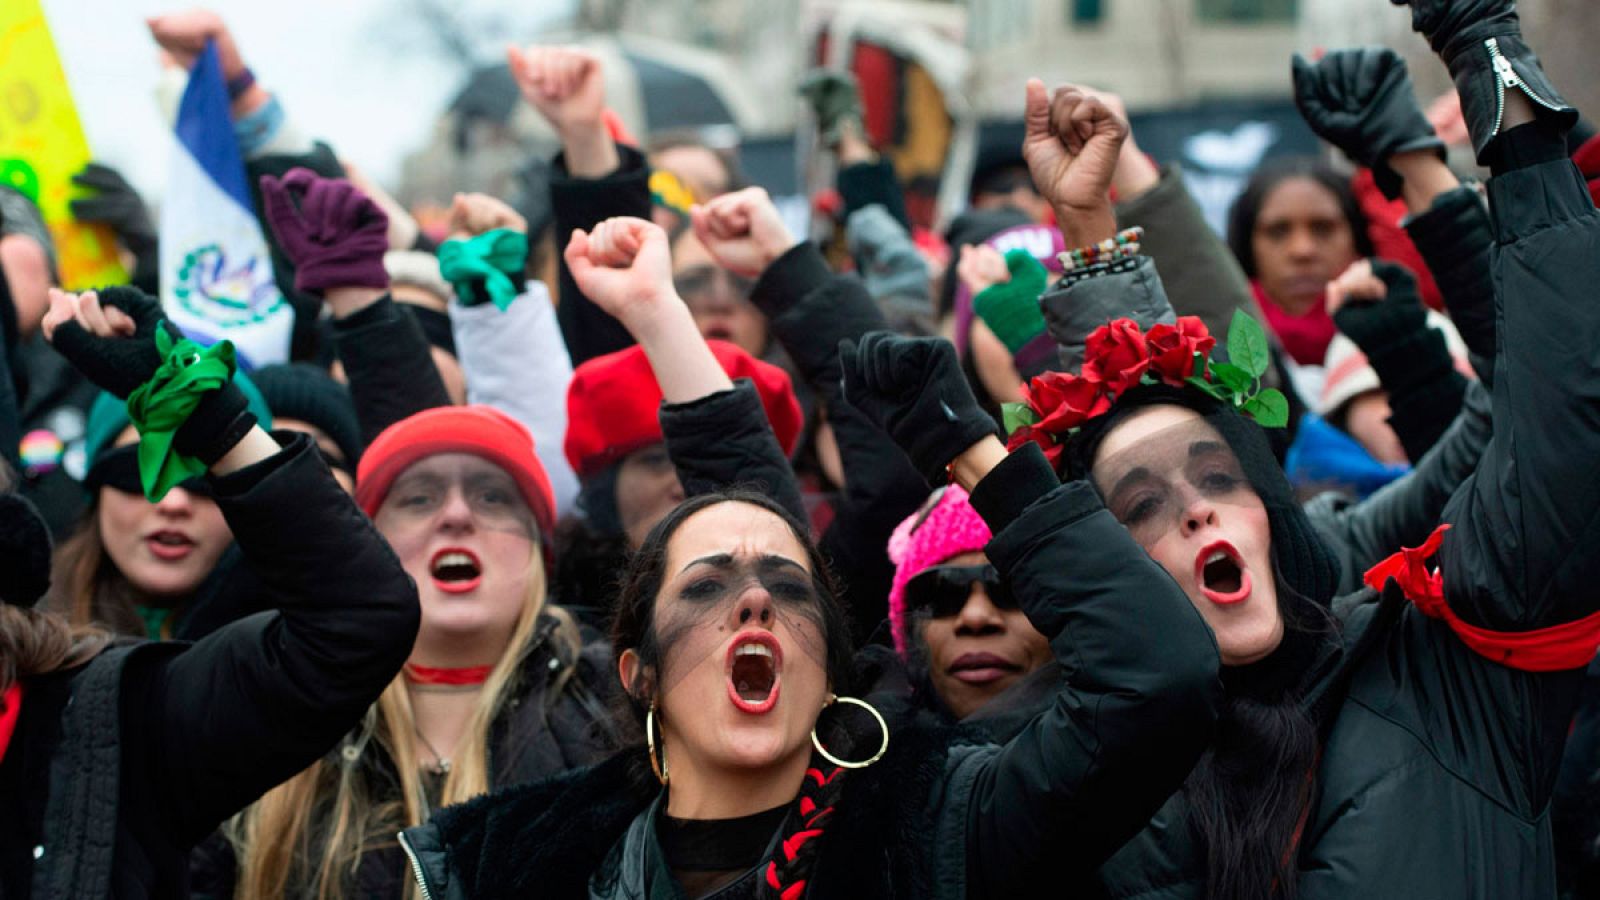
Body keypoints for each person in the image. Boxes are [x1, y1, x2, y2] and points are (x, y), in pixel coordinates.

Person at [1015, 12, 1600, 891]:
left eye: (1221, 479)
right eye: (1142, 511)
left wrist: (1487, 50)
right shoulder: (1073, 789)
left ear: (1272, 508)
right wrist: (1085, 222)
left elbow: (1553, 412)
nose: (1198, 506)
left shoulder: (1443, 667)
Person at [1, 284, 418, 897]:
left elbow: (356, 619)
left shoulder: (108, 719)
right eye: (137, 475)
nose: (170, 503)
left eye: (196, 481)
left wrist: (210, 420)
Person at [199, 404, 616, 900]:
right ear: (367, 545)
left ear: (538, 550)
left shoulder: (611, 706)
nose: (457, 516)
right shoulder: (279, 715)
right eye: (418, 499)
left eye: (493, 497)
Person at [1226, 158, 1373, 371]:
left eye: (1323, 228)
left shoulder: (1405, 335)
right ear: (1247, 245)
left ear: (1357, 238)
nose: (1302, 250)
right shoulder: (1209, 352)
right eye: (1277, 231)